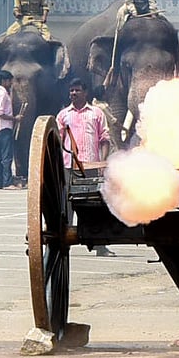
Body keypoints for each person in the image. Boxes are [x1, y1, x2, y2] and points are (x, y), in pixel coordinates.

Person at [56, 78, 113, 256]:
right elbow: (57, 140)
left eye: (77, 90)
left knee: (94, 203)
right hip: (69, 165)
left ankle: (99, 244)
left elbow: (104, 139)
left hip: (90, 165)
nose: (73, 93)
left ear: (85, 93)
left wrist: (102, 163)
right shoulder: (63, 115)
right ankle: (63, 240)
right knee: (67, 203)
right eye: (71, 91)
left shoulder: (96, 113)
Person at [0, 70, 21, 189]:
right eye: (10, 80)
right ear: (4, 81)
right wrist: (14, 118)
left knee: (4, 154)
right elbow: (0, 113)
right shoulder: (3, 94)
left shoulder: (1, 92)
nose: (11, 83)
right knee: (6, 155)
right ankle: (7, 182)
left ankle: (3, 180)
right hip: (4, 126)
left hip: (2, 126)